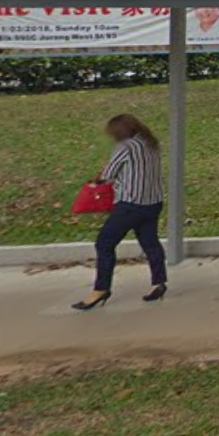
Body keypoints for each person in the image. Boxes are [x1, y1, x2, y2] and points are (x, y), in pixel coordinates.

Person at [73, 113, 168, 310]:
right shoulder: (151, 144)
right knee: (150, 243)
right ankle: (158, 283)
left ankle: (101, 289)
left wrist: (95, 181)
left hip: (130, 205)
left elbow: (109, 174)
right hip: (153, 202)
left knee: (104, 244)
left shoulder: (126, 147)